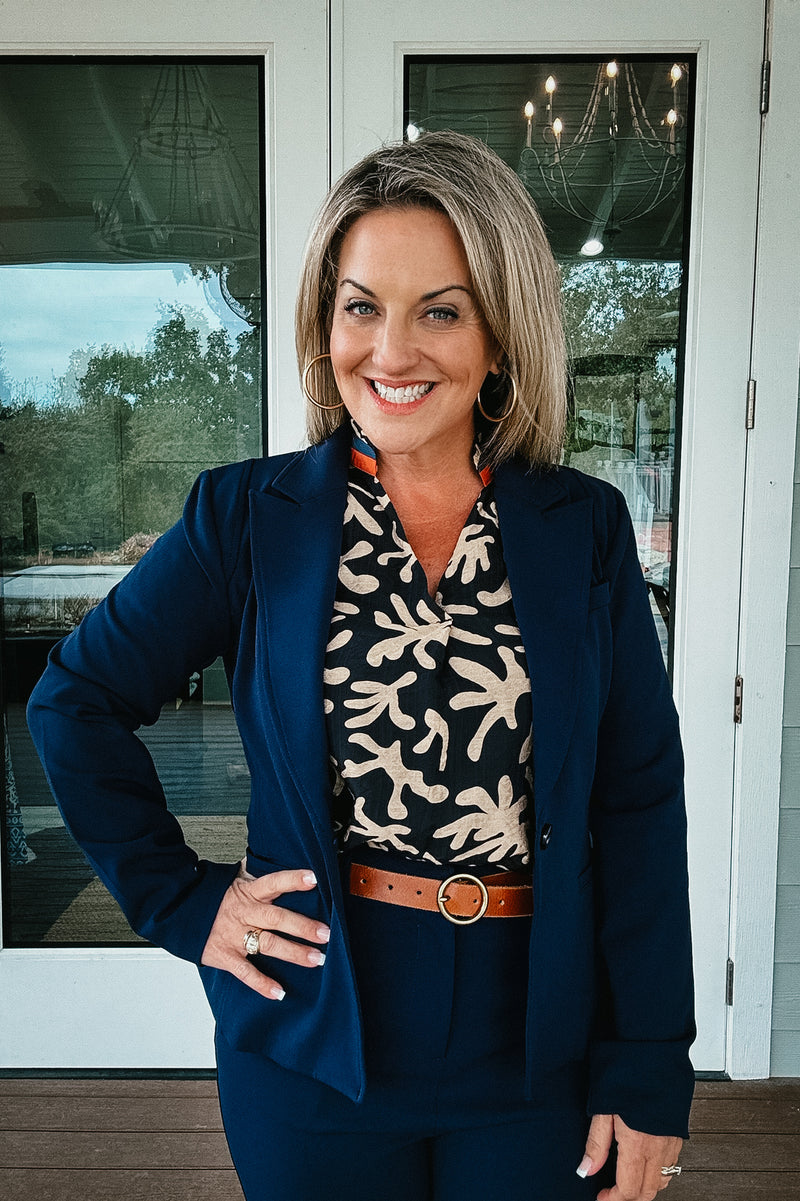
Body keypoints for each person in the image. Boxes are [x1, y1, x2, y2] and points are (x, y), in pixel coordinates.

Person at [27, 130, 694, 1201]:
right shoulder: (246, 519)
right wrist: (183, 902)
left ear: (500, 333)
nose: (391, 350)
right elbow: (75, 702)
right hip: (313, 1032)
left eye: (441, 310)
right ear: (324, 323)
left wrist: (651, 1059)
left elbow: (637, 799)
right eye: (360, 307)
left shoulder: (584, 530)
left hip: (539, 1043)